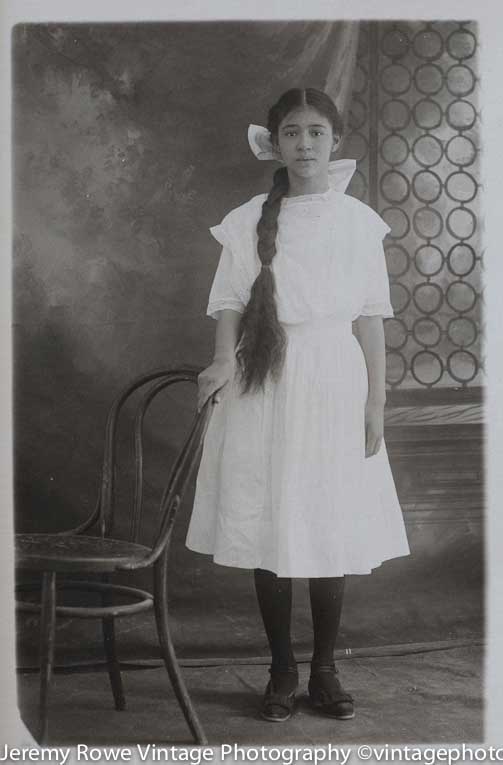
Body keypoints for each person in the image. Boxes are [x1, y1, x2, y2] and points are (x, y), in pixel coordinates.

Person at [186, 87, 410, 723]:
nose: (304, 144)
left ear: (334, 142)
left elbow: (371, 318)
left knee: (325, 517)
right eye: (292, 133)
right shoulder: (247, 218)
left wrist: (376, 399)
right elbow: (230, 302)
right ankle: (282, 667)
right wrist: (225, 359)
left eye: (316, 132)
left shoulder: (358, 223)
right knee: (273, 518)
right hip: (265, 377)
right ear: (273, 143)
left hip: (335, 380)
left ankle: (325, 669)